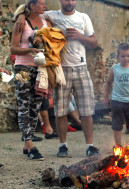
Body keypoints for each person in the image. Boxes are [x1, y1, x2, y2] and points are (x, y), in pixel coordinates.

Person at [16, 0, 100, 157]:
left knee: (87, 110)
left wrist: (80, 36)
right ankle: (63, 146)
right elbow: (31, 11)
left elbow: (95, 42)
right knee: (60, 110)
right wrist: (21, 16)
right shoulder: (52, 15)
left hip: (81, 67)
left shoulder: (83, 17)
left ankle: (90, 146)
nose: (70, 2)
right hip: (60, 69)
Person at [11, 0, 52, 160]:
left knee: (35, 107)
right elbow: (13, 48)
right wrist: (30, 49)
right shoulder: (22, 22)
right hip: (23, 68)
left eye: (45, 3)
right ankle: (29, 144)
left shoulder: (47, 22)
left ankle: (26, 143)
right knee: (24, 105)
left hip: (40, 69)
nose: (45, 6)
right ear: (32, 5)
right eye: (41, 3)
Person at [104, 43, 129, 147]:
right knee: (117, 125)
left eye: (128, 56)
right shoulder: (114, 68)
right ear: (118, 56)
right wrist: (106, 98)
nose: (126, 58)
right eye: (123, 56)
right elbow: (108, 83)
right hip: (117, 101)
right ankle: (118, 145)